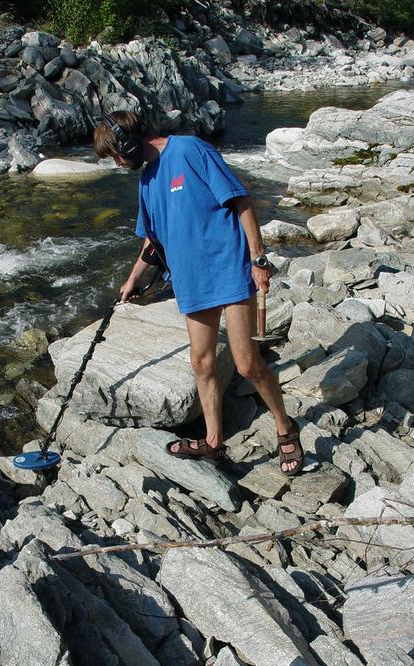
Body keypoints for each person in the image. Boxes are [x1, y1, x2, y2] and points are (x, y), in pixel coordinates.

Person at [93, 111, 304, 476]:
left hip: (228, 270)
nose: (116, 162)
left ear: (128, 142)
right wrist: (133, 280)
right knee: (202, 363)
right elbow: (152, 241)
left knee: (247, 364)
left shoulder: (189, 150)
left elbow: (243, 201)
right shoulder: (146, 181)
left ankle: (286, 428)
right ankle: (213, 443)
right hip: (191, 281)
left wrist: (258, 259)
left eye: (115, 154)